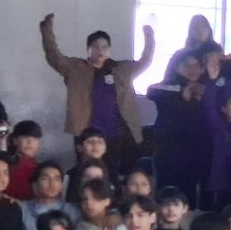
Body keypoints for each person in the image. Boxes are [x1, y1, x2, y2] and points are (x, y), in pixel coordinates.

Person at [40, 14, 154, 173]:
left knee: (112, 172)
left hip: (115, 133)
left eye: (104, 47)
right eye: (95, 46)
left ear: (109, 50)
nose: (100, 50)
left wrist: (149, 37)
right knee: (85, 171)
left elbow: (145, 61)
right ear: (88, 49)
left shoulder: (121, 69)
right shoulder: (76, 68)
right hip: (85, 131)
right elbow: (54, 56)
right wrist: (47, 30)